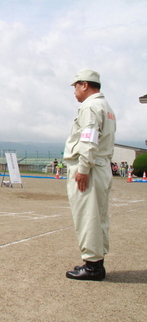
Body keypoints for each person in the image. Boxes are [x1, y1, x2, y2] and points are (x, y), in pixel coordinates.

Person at [63, 69, 116, 281]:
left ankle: (92, 266)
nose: (74, 91)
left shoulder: (90, 106)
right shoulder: (105, 106)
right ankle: (95, 262)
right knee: (98, 216)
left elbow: (88, 139)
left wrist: (83, 169)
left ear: (85, 85)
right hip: (101, 165)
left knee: (88, 216)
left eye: (75, 86)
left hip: (90, 167)